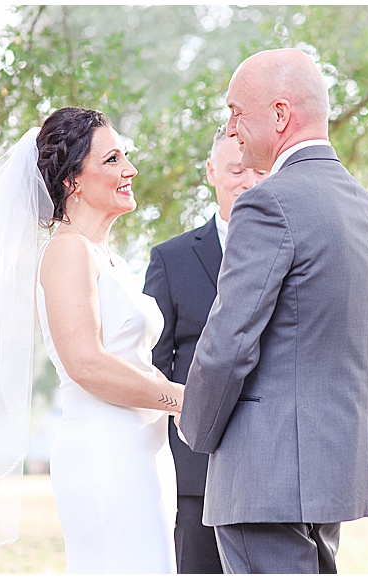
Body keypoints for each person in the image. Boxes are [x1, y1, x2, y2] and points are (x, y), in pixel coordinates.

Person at [0, 107, 184, 574]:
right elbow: (85, 363)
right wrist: (181, 399)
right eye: (112, 160)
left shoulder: (109, 259)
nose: (130, 170)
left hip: (143, 452)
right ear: (72, 181)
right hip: (105, 454)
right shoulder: (66, 251)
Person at [177, 49, 368, 574]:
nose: (232, 129)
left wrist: (193, 429)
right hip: (334, 471)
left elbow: (227, 344)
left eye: (237, 112)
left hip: (265, 476)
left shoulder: (268, 204)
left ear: (281, 116)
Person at [144, 126, 268, 574]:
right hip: (195, 471)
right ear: (212, 172)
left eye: (258, 170)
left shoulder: (292, 251)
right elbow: (153, 366)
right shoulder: (170, 259)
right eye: (236, 170)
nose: (248, 181)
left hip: (272, 466)